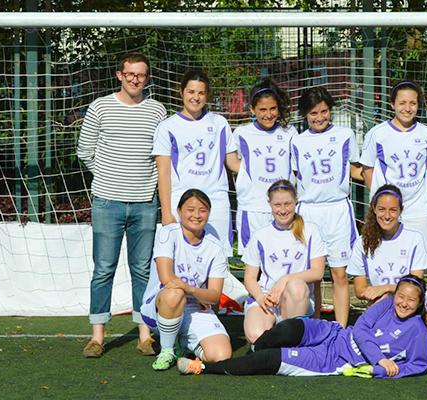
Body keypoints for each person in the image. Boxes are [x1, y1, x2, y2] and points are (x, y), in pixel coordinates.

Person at [77, 52, 167, 358]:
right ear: (119, 74)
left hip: (144, 204)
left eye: (140, 75)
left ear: (147, 78)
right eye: (129, 74)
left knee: (142, 270)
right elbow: (85, 151)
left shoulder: (157, 111)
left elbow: (160, 157)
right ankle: (97, 337)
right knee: (103, 269)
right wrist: (106, 179)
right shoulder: (100, 107)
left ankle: (145, 335)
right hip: (106, 203)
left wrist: (150, 186)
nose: (134, 79)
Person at [176, 275, 427, 379]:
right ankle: (255, 349)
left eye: (412, 300)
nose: (404, 303)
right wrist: (379, 357)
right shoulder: (387, 303)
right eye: (401, 296)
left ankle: (202, 367)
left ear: (420, 303)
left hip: (333, 359)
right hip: (335, 334)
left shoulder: (418, 331)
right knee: (288, 329)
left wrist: (383, 370)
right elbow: (362, 328)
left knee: (270, 360)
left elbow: (419, 365)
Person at [289, 86, 362, 327]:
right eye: (313, 113)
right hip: (308, 212)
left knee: (339, 274)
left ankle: (341, 329)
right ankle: (317, 324)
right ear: (305, 115)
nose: (319, 117)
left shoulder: (345, 135)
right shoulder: (297, 141)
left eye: (323, 111)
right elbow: (295, 176)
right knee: (314, 275)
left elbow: (355, 168)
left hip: (337, 210)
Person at [141, 189, 233, 370]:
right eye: (190, 209)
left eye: (203, 210)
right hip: (162, 305)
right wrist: (198, 293)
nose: (197, 215)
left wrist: (192, 291)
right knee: (174, 293)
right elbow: (167, 279)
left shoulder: (215, 246)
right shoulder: (168, 233)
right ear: (179, 211)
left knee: (222, 356)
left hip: (195, 306)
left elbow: (214, 297)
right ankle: (167, 350)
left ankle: (184, 346)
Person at [152, 70, 235, 256]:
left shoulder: (220, 123)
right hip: (181, 203)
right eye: (191, 92)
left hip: (215, 202)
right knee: (182, 259)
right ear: (181, 92)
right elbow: (163, 173)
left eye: (201, 93)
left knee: (218, 261)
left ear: (207, 95)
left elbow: (233, 163)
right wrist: (167, 212)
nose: (195, 97)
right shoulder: (167, 127)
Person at [241, 180, 327, 343]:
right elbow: (249, 278)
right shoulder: (260, 235)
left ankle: (292, 337)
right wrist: (260, 298)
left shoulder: (311, 230)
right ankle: (278, 333)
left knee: (296, 286)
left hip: (297, 299)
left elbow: (318, 272)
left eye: (287, 204)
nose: (282, 210)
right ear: (270, 204)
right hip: (267, 298)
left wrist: (285, 280)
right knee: (256, 337)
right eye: (277, 205)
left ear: (296, 201)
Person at [359, 80, 427, 238]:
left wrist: (419, 190)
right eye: (402, 103)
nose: (407, 108)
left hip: (419, 210)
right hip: (388, 210)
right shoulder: (377, 134)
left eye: (413, 103)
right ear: (392, 104)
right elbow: (367, 170)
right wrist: (383, 199)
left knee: (422, 258)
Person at [225, 78, 297, 256]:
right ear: (252, 109)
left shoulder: (290, 132)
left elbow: (296, 166)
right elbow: (232, 162)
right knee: (254, 261)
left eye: (273, 108)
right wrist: (249, 172)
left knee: (283, 256)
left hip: (283, 208)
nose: (268, 114)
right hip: (253, 207)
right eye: (262, 109)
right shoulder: (242, 133)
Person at [347, 185, 427, 304]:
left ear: (401, 210)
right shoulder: (362, 242)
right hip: (380, 302)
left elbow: (416, 286)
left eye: (393, 210)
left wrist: (386, 289)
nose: (387, 216)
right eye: (382, 209)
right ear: (374, 209)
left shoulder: (415, 239)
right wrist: (382, 296)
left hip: (410, 304)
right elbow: (359, 290)